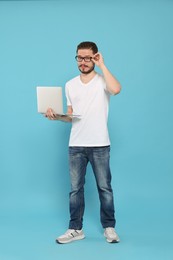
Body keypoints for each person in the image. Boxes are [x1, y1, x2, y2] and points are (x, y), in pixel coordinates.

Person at [46, 41, 121, 244]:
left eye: (88, 58)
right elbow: (72, 116)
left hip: (100, 144)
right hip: (76, 145)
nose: (84, 62)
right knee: (75, 189)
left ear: (95, 57)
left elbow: (117, 89)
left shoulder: (103, 81)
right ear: (76, 58)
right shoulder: (70, 85)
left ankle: (109, 227)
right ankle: (75, 229)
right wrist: (57, 116)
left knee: (104, 187)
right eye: (80, 57)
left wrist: (103, 66)